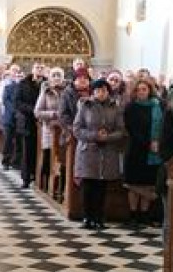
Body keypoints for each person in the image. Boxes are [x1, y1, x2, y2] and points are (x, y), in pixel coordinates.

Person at [73, 78, 125, 229]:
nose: (100, 93)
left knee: (102, 187)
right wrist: (95, 135)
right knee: (88, 185)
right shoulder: (85, 105)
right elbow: (77, 129)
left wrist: (107, 137)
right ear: (93, 92)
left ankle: (99, 217)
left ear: (107, 91)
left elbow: (121, 130)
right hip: (88, 151)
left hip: (107, 151)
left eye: (103, 90)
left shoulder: (115, 107)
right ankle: (87, 217)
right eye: (97, 90)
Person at [123, 79, 165, 228]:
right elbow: (132, 129)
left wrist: (157, 143)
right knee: (134, 184)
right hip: (136, 150)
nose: (141, 92)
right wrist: (149, 143)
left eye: (144, 89)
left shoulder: (158, 106)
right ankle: (133, 214)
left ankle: (144, 215)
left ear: (149, 90)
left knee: (148, 185)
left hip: (153, 153)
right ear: (134, 92)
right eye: (138, 89)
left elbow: (163, 126)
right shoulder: (131, 107)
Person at [34, 67, 67, 195]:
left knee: (64, 161)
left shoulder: (67, 92)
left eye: (59, 75)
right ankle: (46, 184)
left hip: (64, 131)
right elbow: (37, 112)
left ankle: (61, 188)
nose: (57, 77)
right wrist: (53, 114)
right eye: (54, 75)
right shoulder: (46, 92)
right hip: (49, 130)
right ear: (50, 78)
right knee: (49, 158)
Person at [15, 62, 45, 189]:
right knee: (28, 151)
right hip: (28, 121)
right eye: (37, 67)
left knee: (42, 152)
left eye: (41, 68)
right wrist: (33, 110)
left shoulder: (47, 84)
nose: (39, 70)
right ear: (32, 69)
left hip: (43, 123)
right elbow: (18, 102)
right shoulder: (23, 83)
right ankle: (26, 178)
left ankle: (40, 178)